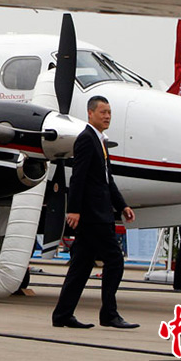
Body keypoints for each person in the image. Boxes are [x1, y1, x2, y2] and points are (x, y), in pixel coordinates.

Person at [52, 95, 139, 330]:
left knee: (81, 266)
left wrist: (122, 206)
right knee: (115, 260)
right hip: (92, 216)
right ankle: (109, 314)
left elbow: (107, 180)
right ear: (90, 114)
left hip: (99, 213)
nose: (107, 116)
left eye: (109, 112)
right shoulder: (86, 140)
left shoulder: (100, 141)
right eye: (103, 112)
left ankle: (62, 315)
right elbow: (78, 176)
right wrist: (75, 210)